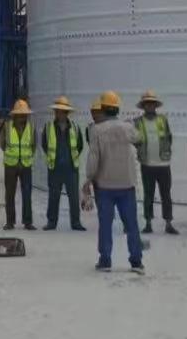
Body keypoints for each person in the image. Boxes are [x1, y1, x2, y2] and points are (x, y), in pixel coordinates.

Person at [82, 90, 144, 274]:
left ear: (103, 109)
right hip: (127, 184)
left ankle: (105, 260)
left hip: (105, 186)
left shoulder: (96, 130)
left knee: (105, 225)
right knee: (131, 225)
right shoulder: (127, 128)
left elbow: (93, 159)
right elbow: (139, 139)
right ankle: (136, 261)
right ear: (117, 109)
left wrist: (88, 178)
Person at [135, 90, 177, 236]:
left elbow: (169, 137)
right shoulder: (138, 122)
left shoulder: (163, 120)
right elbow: (135, 140)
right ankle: (148, 223)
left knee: (166, 195)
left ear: (155, 105)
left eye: (152, 103)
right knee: (148, 195)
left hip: (163, 164)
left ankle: (168, 223)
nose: (150, 105)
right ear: (143, 106)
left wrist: (165, 152)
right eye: (147, 103)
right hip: (147, 164)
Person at [43, 96, 85, 231]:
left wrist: (71, 158)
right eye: (57, 111)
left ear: (66, 113)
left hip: (71, 168)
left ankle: (76, 222)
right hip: (54, 168)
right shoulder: (48, 127)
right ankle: (51, 222)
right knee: (53, 196)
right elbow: (44, 144)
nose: (58, 113)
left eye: (61, 111)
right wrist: (53, 157)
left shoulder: (75, 127)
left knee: (74, 197)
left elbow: (80, 145)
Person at [1, 99, 35, 231]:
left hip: (26, 165)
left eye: (24, 115)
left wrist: (26, 156)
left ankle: (28, 222)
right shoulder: (7, 127)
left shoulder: (31, 128)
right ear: (14, 115)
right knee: (10, 195)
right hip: (10, 165)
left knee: (27, 194)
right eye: (20, 115)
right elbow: (3, 144)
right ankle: (10, 222)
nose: (22, 117)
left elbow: (34, 145)